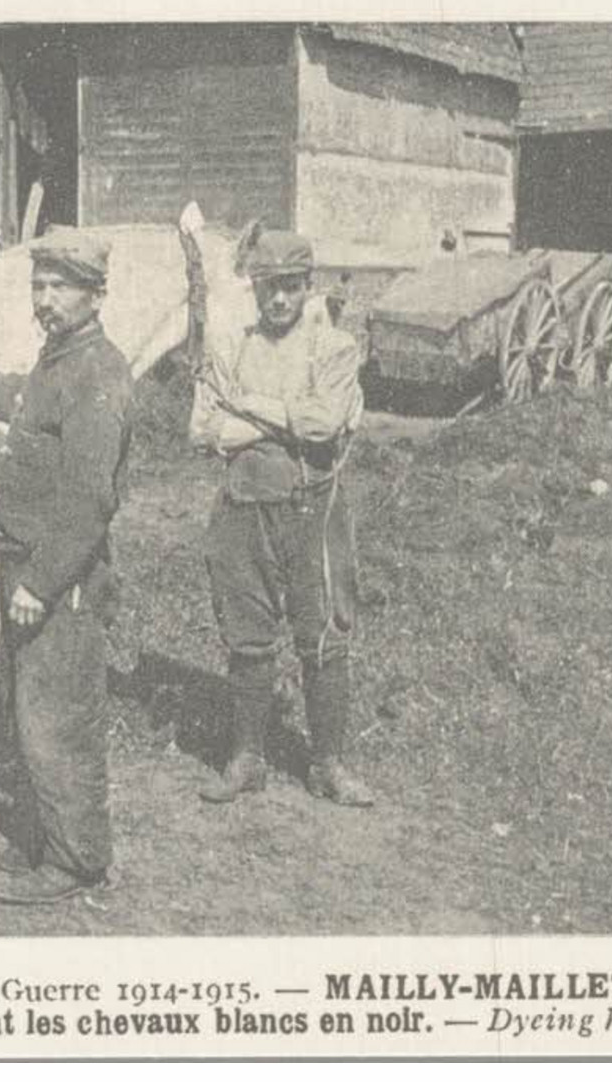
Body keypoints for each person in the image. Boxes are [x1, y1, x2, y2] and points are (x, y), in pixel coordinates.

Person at [0, 229, 134, 904]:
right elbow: (17, 397)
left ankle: (77, 860)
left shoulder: (98, 372)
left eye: (60, 288)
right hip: (25, 561)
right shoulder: (58, 359)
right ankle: (46, 838)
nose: (45, 300)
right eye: (38, 287)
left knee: (58, 720)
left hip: (60, 578)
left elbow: (88, 499)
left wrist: (44, 585)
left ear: (95, 295)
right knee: (28, 711)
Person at [189, 229, 375, 808]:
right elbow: (203, 430)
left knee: (323, 635)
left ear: (307, 287)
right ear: (255, 288)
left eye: (290, 288)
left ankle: (328, 763)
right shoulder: (230, 345)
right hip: (243, 508)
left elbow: (323, 428)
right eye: (269, 288)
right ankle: (247, 758)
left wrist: (244, 407)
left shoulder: (334, 348)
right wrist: (287, 420)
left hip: (312, 510)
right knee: (247, 634)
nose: (279, 301)